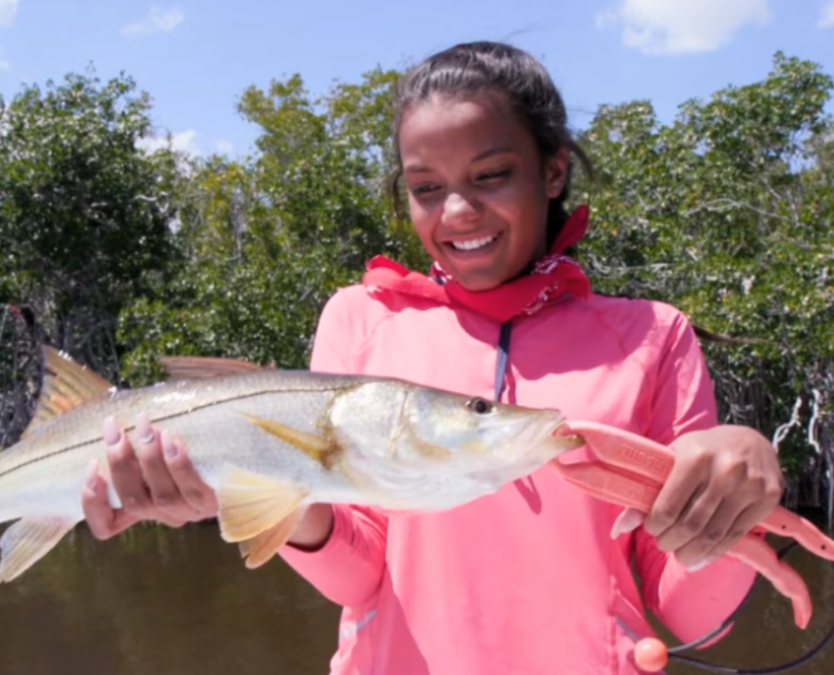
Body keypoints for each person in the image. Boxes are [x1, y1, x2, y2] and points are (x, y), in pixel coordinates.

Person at [81, 41, 785, 674]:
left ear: (553, 170)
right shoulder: (360, 318)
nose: (456, 213)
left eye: (491, 175)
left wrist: (740, 488)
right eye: (425, 187)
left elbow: (697, 616)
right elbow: (360, 577)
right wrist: (283, 498)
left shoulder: (654, 337)